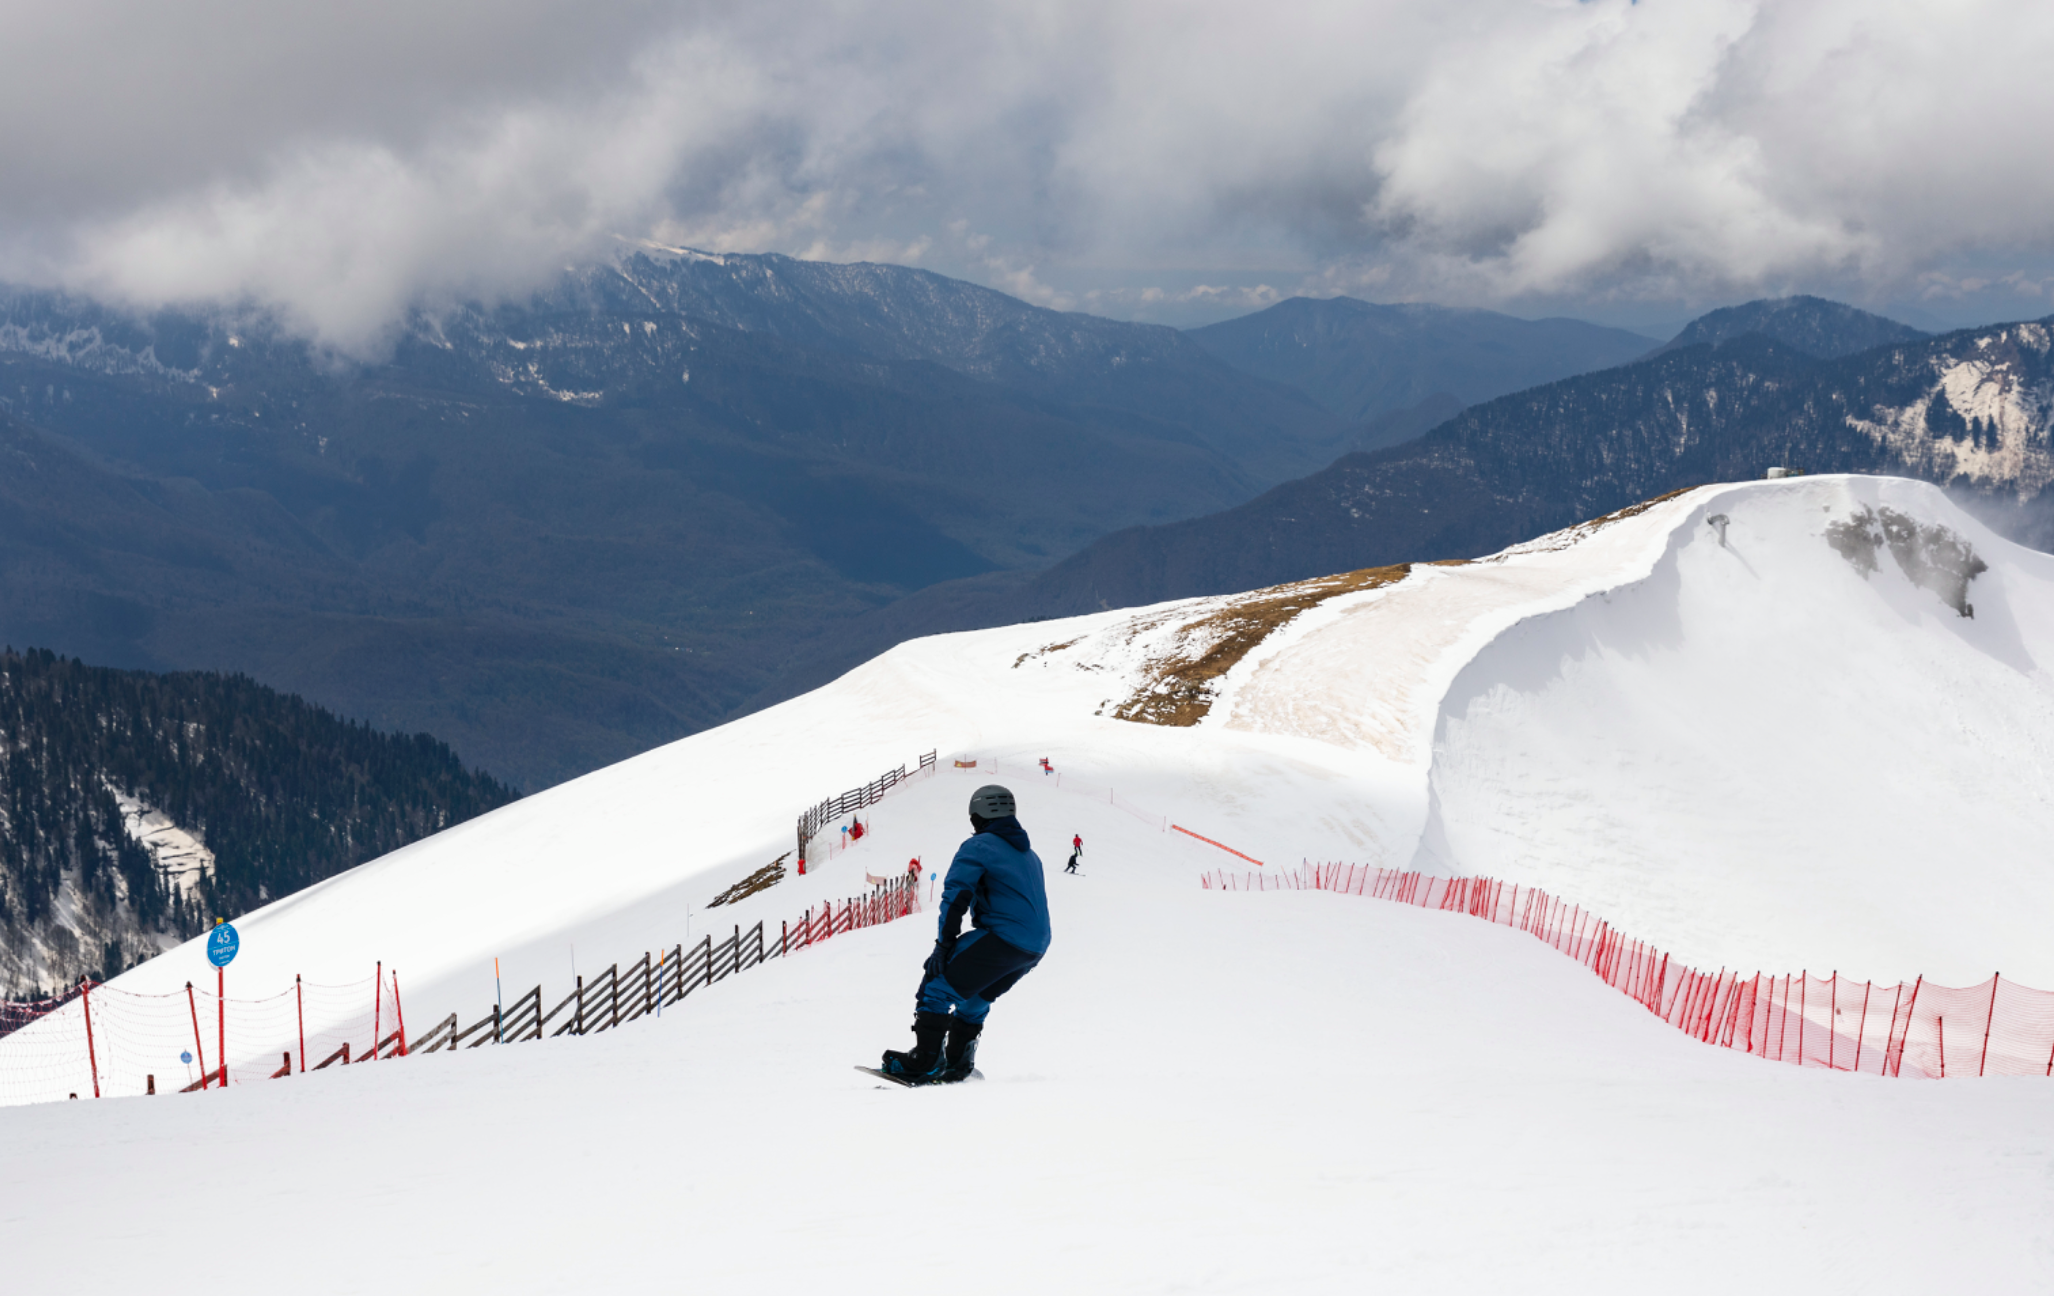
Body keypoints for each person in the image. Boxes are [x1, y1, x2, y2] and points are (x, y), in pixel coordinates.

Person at [880, 784, 1050, 1083]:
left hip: (1004, 937)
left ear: (978, 815)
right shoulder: (1030, 855)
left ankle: (925, 1061)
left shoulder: (979, 846)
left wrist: (943, 946)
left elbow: (956, 896)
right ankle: (959, 1062)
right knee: (974, 998)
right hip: (1035, 947)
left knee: (936, 985)